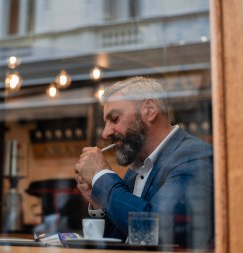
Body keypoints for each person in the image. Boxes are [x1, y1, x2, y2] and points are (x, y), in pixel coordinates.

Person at [74, 76, 213, 249]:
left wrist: (101, 177)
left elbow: (157, 229)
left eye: (115, 118)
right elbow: (122, 238)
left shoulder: (194, 155)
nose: (106, 133)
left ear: (150, 109)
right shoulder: (136, 169)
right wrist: (98, 201)